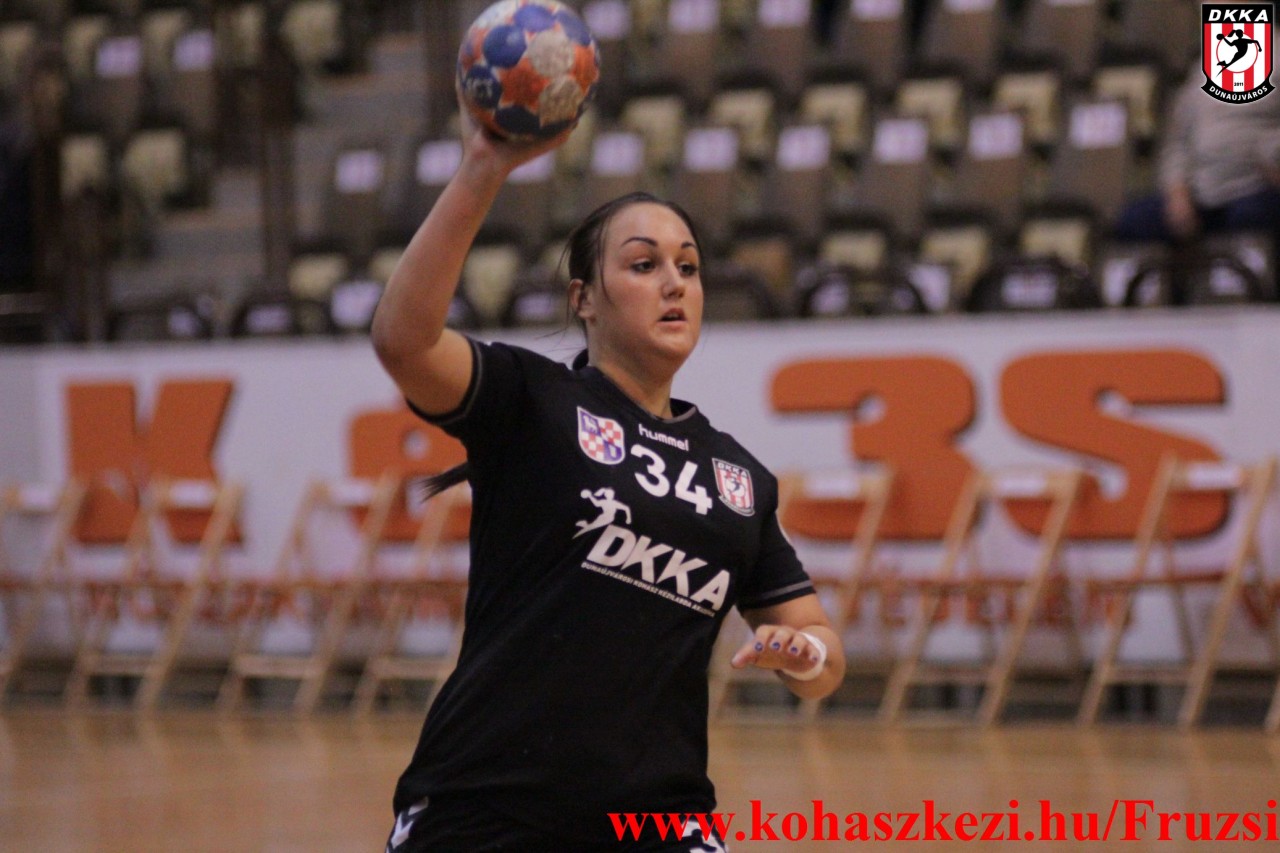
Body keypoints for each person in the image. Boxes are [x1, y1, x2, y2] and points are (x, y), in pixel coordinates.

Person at [370, 92, 846, 851]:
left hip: (660, 819)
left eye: (688, 267)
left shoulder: (738, 477)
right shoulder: (533, 401)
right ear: (583, 299)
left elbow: (818, 651)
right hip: (487, 806)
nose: (674, 283)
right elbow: (404, 340)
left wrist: (806, 653)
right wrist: (481, 170)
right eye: (644, 264)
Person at [1113, 61, 1280, 246]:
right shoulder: (1201, 70)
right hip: (1198, 192)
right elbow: (1177, 143)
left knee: (1251, 217)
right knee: (1133, 220)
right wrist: (1177, 193)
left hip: (1254, 188)